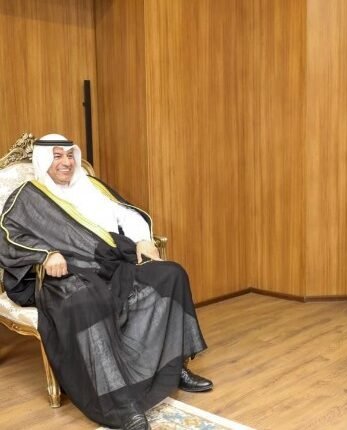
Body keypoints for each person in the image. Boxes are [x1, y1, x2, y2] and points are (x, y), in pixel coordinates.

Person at [0, 134, 214, 430]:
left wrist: (143, 239)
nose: (66, 162)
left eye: (70, 155)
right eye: (57, 156)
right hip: (65, 274)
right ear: (43, 160)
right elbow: (8, 237)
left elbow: (126, 214)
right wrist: (45, 254)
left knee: (171, 273)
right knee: (86, 299)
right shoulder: (27, 197)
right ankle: (118, 403)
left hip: (112, 263)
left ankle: (173, 365)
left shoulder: (90, 185)